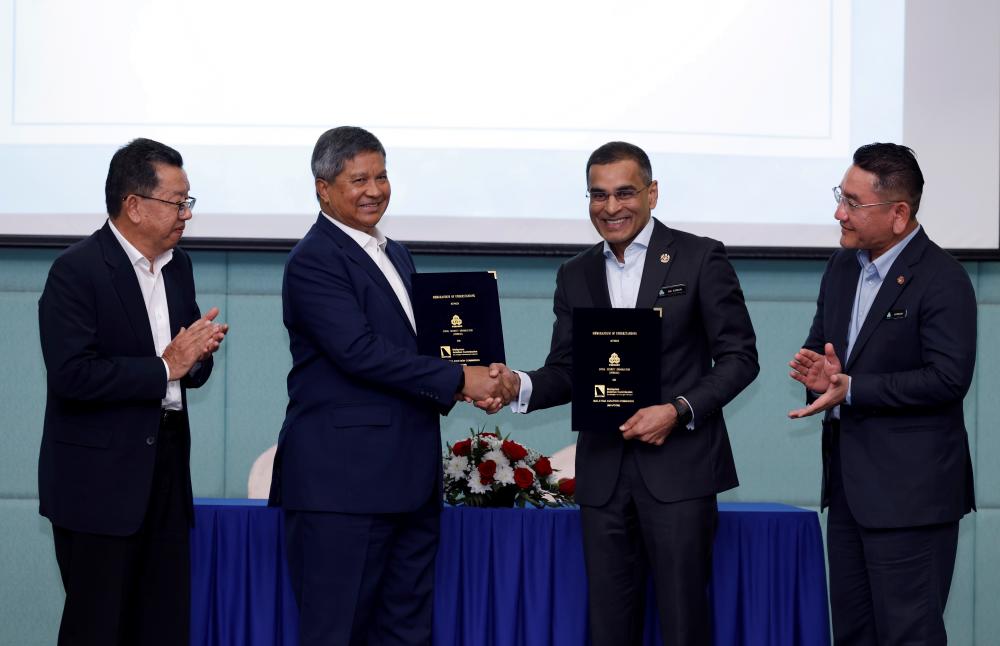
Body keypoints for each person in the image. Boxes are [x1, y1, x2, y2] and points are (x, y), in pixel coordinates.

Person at [487, 141, 759, 645]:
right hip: (604, 479)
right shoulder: (576, 273)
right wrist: (515, 386)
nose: (611, 208)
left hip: (680, 474)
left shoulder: (700, 257)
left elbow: (741, 359)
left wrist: (677, 411)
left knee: (683, 626)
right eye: (598, 195)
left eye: (625, 193)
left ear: (652, 194)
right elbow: (567, 370)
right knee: (608, 629)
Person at [268, 126, 512, 645]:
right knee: (337, 632)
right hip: (344, 488)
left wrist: (476, 376)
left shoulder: (394, 253)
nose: (374, 189)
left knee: (406, 631)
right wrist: (459, 379)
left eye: (381, 176)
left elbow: (413, 350)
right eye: (359, 179)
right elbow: (359, 353)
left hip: (407, 481)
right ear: (323, 188)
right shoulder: (314, 259)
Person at [37, 138, 228, 646]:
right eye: (176, 201)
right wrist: (166, 365)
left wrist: (197, 358)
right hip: (97, 484)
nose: (187, 214)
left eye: (189, 200)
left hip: (165, 471)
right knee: (98, 629)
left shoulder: (178, 267)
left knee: (163, 625)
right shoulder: (76, 271)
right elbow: (73, 376)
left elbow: (183, 370)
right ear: (134, 205)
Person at [788, 143, 976, 644]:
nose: (838, 213)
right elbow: (824, 346)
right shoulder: (842, 267)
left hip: (912, 499)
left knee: (908, 634)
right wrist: (821, 372)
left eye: (852, 203)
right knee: (853, 633)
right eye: (839, 197)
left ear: (898, 214)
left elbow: (948, 378)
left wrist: (852, 389)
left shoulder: (943, 280)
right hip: (850, 492)